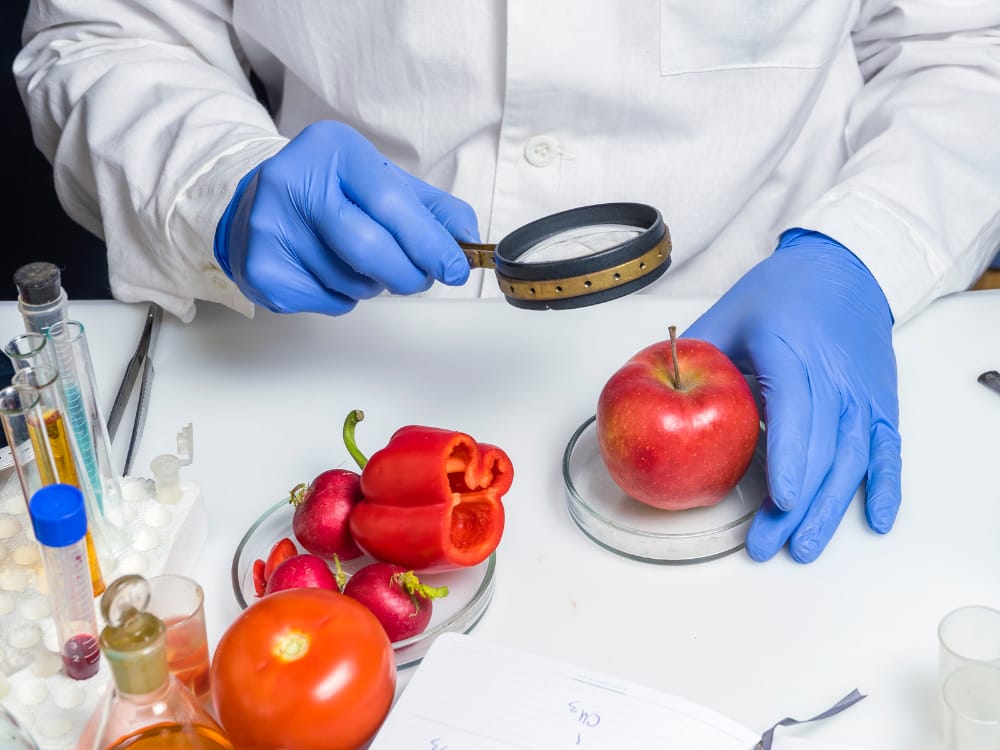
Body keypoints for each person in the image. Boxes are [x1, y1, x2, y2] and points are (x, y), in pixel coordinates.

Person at [13, 3, 1000, 564]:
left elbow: (963, 47)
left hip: (759, 371)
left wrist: (858, 256)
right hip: (320, 359)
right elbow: (99, 34)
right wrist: (218, 185)